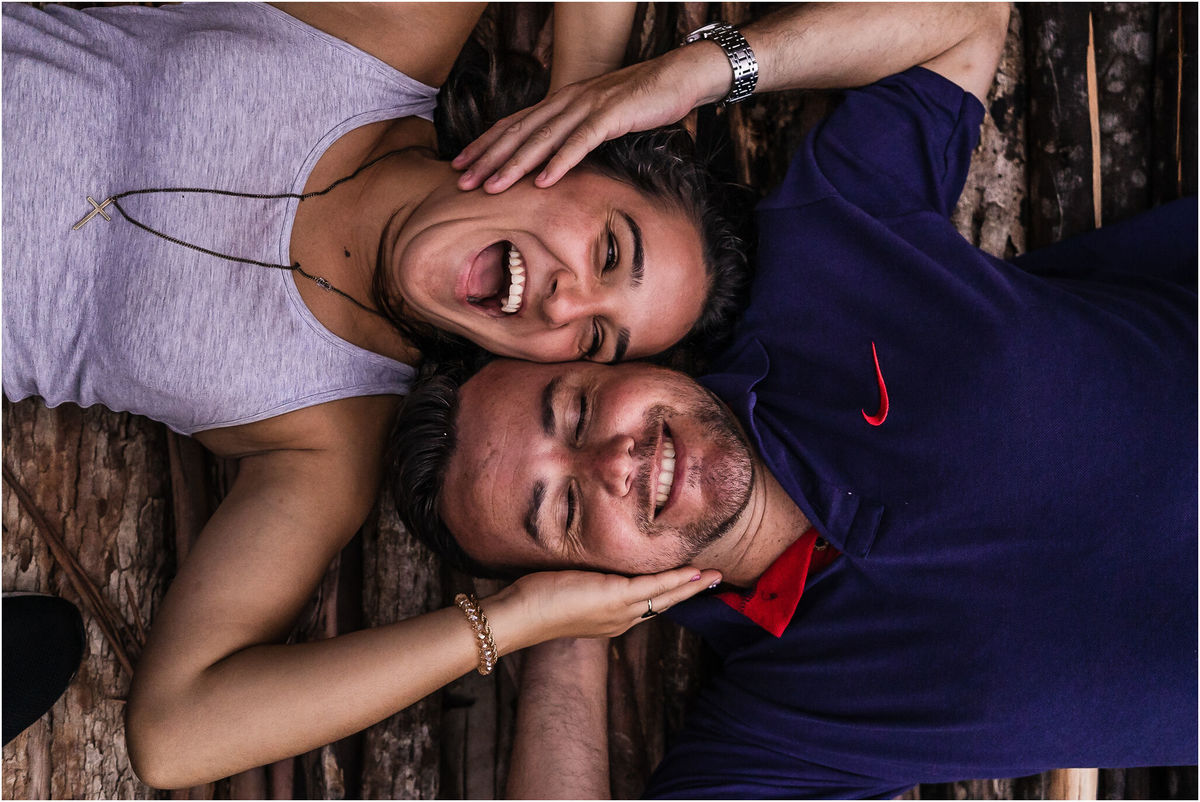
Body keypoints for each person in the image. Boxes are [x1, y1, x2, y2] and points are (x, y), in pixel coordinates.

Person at [390, 2, 1198, 796]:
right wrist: (562, 635)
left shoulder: (818, 267)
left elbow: (965, 20)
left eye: (576, 412)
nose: (613, 462)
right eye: (566, 509)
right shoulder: (790, 721)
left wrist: (692, 74)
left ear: (612, 362)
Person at [1, 2, 736, 785]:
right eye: (609, 250)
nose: (564, 302)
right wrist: (576, 99)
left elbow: (176, 733)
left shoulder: (328, 436)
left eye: (593, 339)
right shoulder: (391, 40)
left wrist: (508, 623)